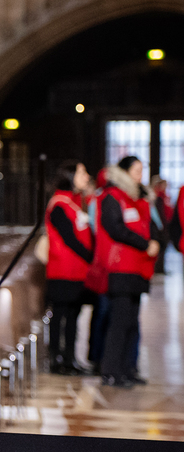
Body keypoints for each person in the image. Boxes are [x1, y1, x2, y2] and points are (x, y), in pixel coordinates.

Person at [92, 156, 160, 388]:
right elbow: (115, 228)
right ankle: (111, 370)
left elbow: (149, 224)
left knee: (132, 321)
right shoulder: (112, 196)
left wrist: (154, 241)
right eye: (136, 170)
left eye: (142, 170)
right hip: (120, 267)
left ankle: (128, 368)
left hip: (138, 267)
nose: (141, 175)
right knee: (119, 321)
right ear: (124, 172)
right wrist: (145, 244)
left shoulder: (139, 197)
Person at [44, 161, 93, 374]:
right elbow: (70, 238)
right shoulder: (59, 204)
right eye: (82, 173)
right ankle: (56, 359)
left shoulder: (75, 202)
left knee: (73, 315)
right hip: (62, 270)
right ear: (70, 176)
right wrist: (91, 257)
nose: (86, 176)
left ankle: (70, 358)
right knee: (60, 315)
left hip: (78, 270)